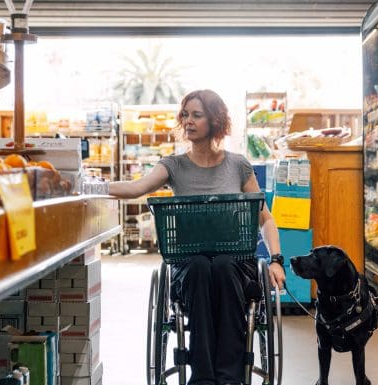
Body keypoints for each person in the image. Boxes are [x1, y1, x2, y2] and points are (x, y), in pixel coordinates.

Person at [109, 89, 285, 385]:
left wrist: (276, 259)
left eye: (196, 115)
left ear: (215, 121)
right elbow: (136, 188)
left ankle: (229, 377)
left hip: (235, 264)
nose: (188, 121)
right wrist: (87, 186)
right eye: (186, 114)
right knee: (204, 266)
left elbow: (264, 217)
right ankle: (202, 378)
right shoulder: (173, 165)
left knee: (223, 265)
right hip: (190, 265)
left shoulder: (238, 165)